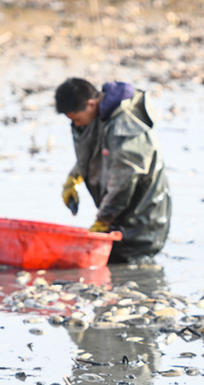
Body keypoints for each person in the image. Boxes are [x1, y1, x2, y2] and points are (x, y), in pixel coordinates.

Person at [55, 77, 172, 264]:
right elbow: (99, 152)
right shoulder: (104, 115)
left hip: (142, 221)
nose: (77, 125)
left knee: (128, 268)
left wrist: (103, 219)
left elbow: (124, 179)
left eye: (77, 119)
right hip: (121, 215)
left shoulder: (124, 124)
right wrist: (73, 178)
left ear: (91, 104)